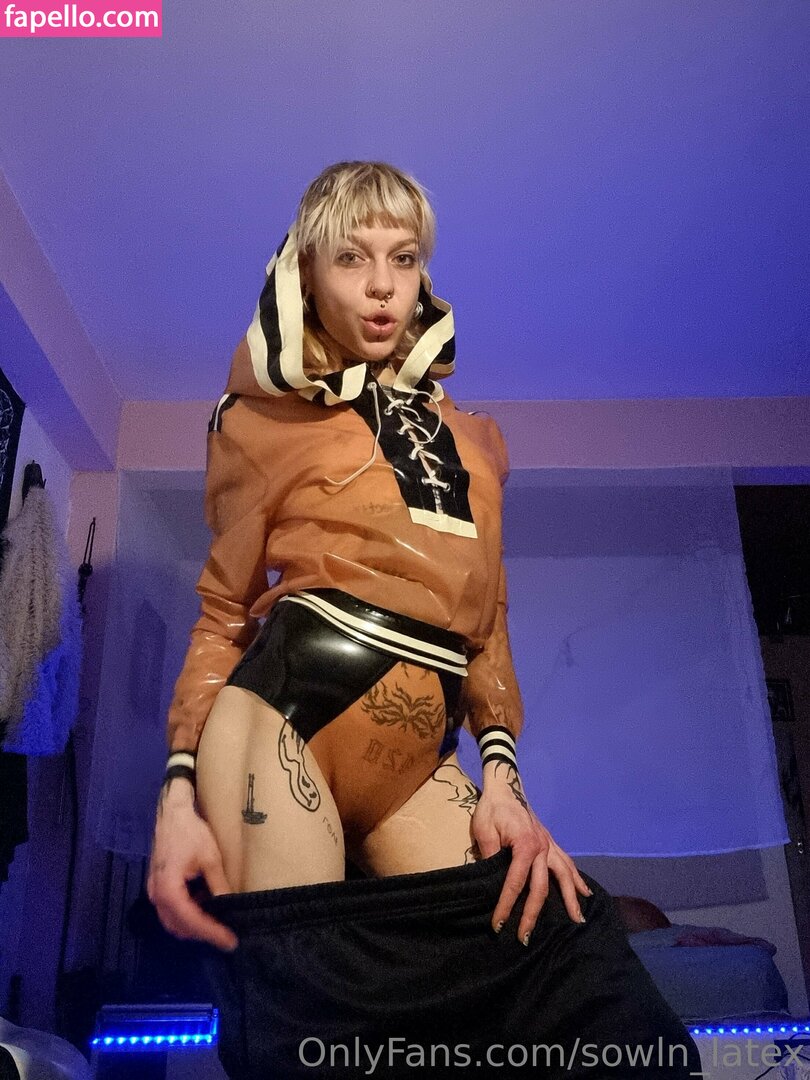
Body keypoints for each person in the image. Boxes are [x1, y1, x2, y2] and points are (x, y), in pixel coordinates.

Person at [147, 161, 702, 1079]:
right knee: (315, 1025)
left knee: (568, 955)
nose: (380, 285)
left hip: (418, 758)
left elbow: (488, 621)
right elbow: (223, 611)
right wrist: (176, 796)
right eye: (351, 258)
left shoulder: (479, 440)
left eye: (402, 259)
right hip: (279, 719)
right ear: (308, 272)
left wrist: (504, 778)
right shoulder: (256, 417)